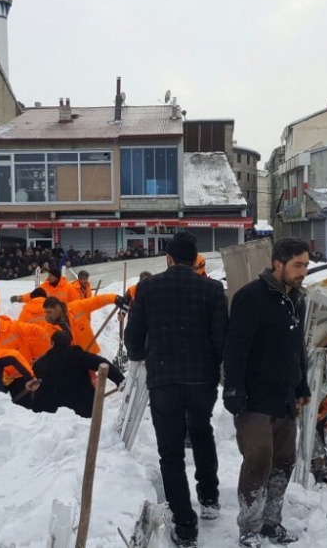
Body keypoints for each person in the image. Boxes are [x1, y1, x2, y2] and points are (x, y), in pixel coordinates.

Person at [123, 231, 228, 547]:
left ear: (167, 258)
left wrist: (141, 356)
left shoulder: (147, 288)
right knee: (201, 432)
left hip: (164, 380)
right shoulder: (212, 289)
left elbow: (133, 337)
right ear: (196, 259)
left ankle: (185, 526)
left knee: (170, 453)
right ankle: (209, 498)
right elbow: (221, 338)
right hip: (202, 381)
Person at [223, 238, 311, 547]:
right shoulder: (251, 297)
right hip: (254, 396)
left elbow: (296, 347)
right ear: (278, 264)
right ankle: (250, 527)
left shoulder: (296, 299)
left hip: (284, 396)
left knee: (285, 460)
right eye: (298, 265)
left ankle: (272, 522)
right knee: (259, 458)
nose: (303, 271)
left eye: (306, 265)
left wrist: (302, 385)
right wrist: (233, 388)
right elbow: (235, 346)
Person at [28, 331, 125, 418]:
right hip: (83, 409)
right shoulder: (79, 356)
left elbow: (35, 387)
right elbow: (103, 364)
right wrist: (120, 380)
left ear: (52, 343)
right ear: (70, 343)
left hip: (52, 413)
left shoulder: (39, 364)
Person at [43, 293, 123, 356]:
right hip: (72, 364)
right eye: (46, 312)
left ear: (57, 307)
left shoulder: (76, 307)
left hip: (89, 356)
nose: (47, 315)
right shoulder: (49, 328)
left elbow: (96, 301)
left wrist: (114, 298)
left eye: (49, 312)